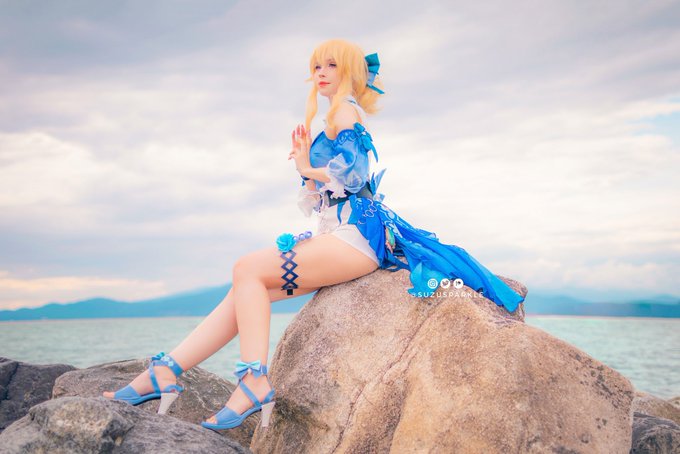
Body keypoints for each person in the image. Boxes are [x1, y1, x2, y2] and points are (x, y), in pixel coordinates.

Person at [102, 38, 525, 431]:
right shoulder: (334, 116)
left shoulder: (344, 111)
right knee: (245, 290)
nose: (320, 72)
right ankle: (164, 372)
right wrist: (306, 170)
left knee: (246, 268)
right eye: (316, 66)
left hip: (356, 237)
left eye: (331, 65)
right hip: (341, 232)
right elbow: (325, 192)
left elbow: (355, 176)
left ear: (350, 71)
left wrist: (308, 166)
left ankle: (253, 381)